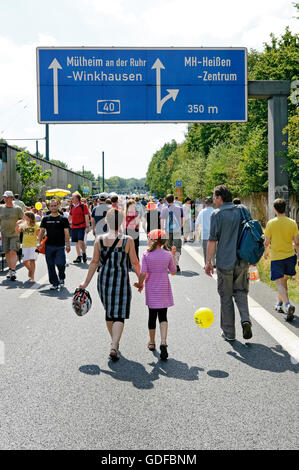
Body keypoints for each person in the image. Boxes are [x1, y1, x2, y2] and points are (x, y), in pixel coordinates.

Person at [78, 208, 141, 361]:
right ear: (122, 222)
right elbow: (134, 263)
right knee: (119, 313)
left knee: (109, 312)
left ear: (106, 221)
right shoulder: (128, 240)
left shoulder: (99, 240)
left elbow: (94, 262)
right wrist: (141, 280)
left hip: (104, 280)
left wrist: (85, 282)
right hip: (121, 280)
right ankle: (114, 344)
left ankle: (114, 342)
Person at [205, 185, 253, 341]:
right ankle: (245, 319)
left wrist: (208, 262)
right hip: (242, 260)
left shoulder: (217, 214)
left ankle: (229, 332)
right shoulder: (243, 210)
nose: (213, 200)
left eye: (214, 197)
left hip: (225, 262)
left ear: (219, 198)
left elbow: (212, 240)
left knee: (226, 296)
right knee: (241, 292)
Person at [134, 229, 176, 360]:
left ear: (152, 240)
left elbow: (143, 273)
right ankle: (163, 341)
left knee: (152, 316)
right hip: (164, 286)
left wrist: (140, 283)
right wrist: (173, 255)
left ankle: (152, 342)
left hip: (152, 287)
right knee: (163, 315)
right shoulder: (167, 254)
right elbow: (173, 271)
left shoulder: (146, 255)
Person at [263, 198, 299, 321]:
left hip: (277, 257)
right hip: (290, 256)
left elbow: (267, 242)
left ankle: (288, 305)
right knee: (283, 282)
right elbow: (297, 242)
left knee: (279, 283)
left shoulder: (271, 223)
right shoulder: (292, 222)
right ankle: (279, 304)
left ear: (274, 209)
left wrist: (265, 253)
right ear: (286, 208)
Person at [38, 199, 71, 290]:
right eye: (51, 206)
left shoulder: (63, 219)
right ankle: (54, 283)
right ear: (49, 207)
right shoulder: (45, 219)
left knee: (61, 264)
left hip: (60, 246)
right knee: (50, 265)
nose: (53, 207)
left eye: (55, 205)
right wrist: (39, 242)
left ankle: (61, 277)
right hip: (49, 246)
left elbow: (67, 232)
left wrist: (67, 244)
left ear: (58, 206)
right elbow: (42, 231)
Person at [0, 191, 24, 281]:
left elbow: (23, 220)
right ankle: (10, 269)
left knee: (13, 251)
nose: (4, 199)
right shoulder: (1, 208)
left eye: (6, 197)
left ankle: (13, 270)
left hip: (15, 234)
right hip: (4, 233)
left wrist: (20, 228)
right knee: (7, 252)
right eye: (4, 197)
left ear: (11, 198)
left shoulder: (17, 209)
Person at [160, 194, 183, 272]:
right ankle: (176, 264)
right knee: (177, 247)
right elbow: (182, 220)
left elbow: (162, 221)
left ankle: (169, 264)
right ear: (174, 199)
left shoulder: (164, 209)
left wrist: (162, 230)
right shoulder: (180, 209)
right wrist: (180, 227)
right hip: (177, 230)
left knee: (167, 247)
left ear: (166, 200)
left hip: (167, 230)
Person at [15, 211, 40, 282]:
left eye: (25, 216)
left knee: (32, 260)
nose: (23, 217)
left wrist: (39, 243)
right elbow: (17, 232)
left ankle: (32, 277)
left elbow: (38, 235)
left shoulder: (36, 225)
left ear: (29, 217)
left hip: (33, 245)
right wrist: (17, 225)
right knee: (25, 261)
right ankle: (30, 271)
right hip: (25, 245)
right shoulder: (23, 225)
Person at [69, 192, 89, 263]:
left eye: (73, 198)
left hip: (81, 226)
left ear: (77, 199)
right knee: (76, 242)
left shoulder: (83, 206)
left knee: (80, 240)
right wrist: (65, 224)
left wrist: (87, 227)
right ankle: (79, 257)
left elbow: (86, 217)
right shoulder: (72, 206)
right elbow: (70, 216)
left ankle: (83, 253)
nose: (71, 199)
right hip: (74, 226)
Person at [195, 196, 215, 264]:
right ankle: (213, 263)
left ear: (205, 203)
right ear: (212, 203)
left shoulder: (202, 212)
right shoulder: (215, 211)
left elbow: (197, 223)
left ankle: (207, 263)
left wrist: (197, 233)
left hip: (205, 234)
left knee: (205, 250)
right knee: (214, 249)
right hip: (214, 233)